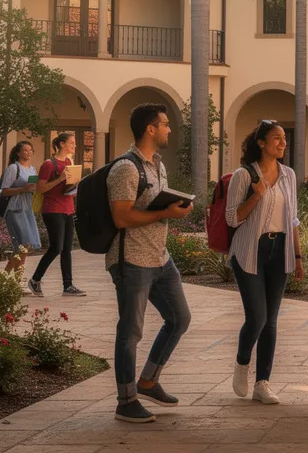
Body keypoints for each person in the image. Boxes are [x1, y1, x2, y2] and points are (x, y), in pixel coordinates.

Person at [106, 103, 193, 424]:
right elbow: (121, 215)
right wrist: (166, 213)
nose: (170, 129)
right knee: (130, 332)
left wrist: (173, 207)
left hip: (159, 258)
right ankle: (126, 401)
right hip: (131, 260)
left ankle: (148, 381)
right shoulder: (125, 169)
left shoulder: (157, 165)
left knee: (179, 319)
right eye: (166, 124)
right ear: (150, 129)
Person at [227, 121, 303, 405]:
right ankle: (242, 364)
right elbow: (232, 218)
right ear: (261, 142)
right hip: (250, 249)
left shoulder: (289, 175)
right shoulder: (243, 175)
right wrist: (257, 194)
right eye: (276, 138)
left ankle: (263, 383)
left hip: (279, 249)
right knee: (256, 317)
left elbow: (293, 217)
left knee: (271, 320)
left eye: (284, 138)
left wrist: (297, 255)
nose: (283, 143)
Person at [29, 133, 86, 297]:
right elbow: (40, 188)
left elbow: (67, 187)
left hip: (68, 207)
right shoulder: (48, 164)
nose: (74, 146)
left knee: (67, 249)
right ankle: (35, 279)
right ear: (61, 144)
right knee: (56, 248)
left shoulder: (69, 162)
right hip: (53, 209)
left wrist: (74, 188)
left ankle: (68, 286)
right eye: (71, 143)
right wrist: (60, 178)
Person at [0, 140, 41, 278]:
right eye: (25, 150)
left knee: (23, 247)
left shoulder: (32, 169)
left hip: (27, 208)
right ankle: (19, 279)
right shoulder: (13, 168)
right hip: (15, 208)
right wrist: (22, 189)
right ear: (18, 153)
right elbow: (4, 191)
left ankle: (4, 276)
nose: (28, 153)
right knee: (22, 245)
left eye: (30, 150)